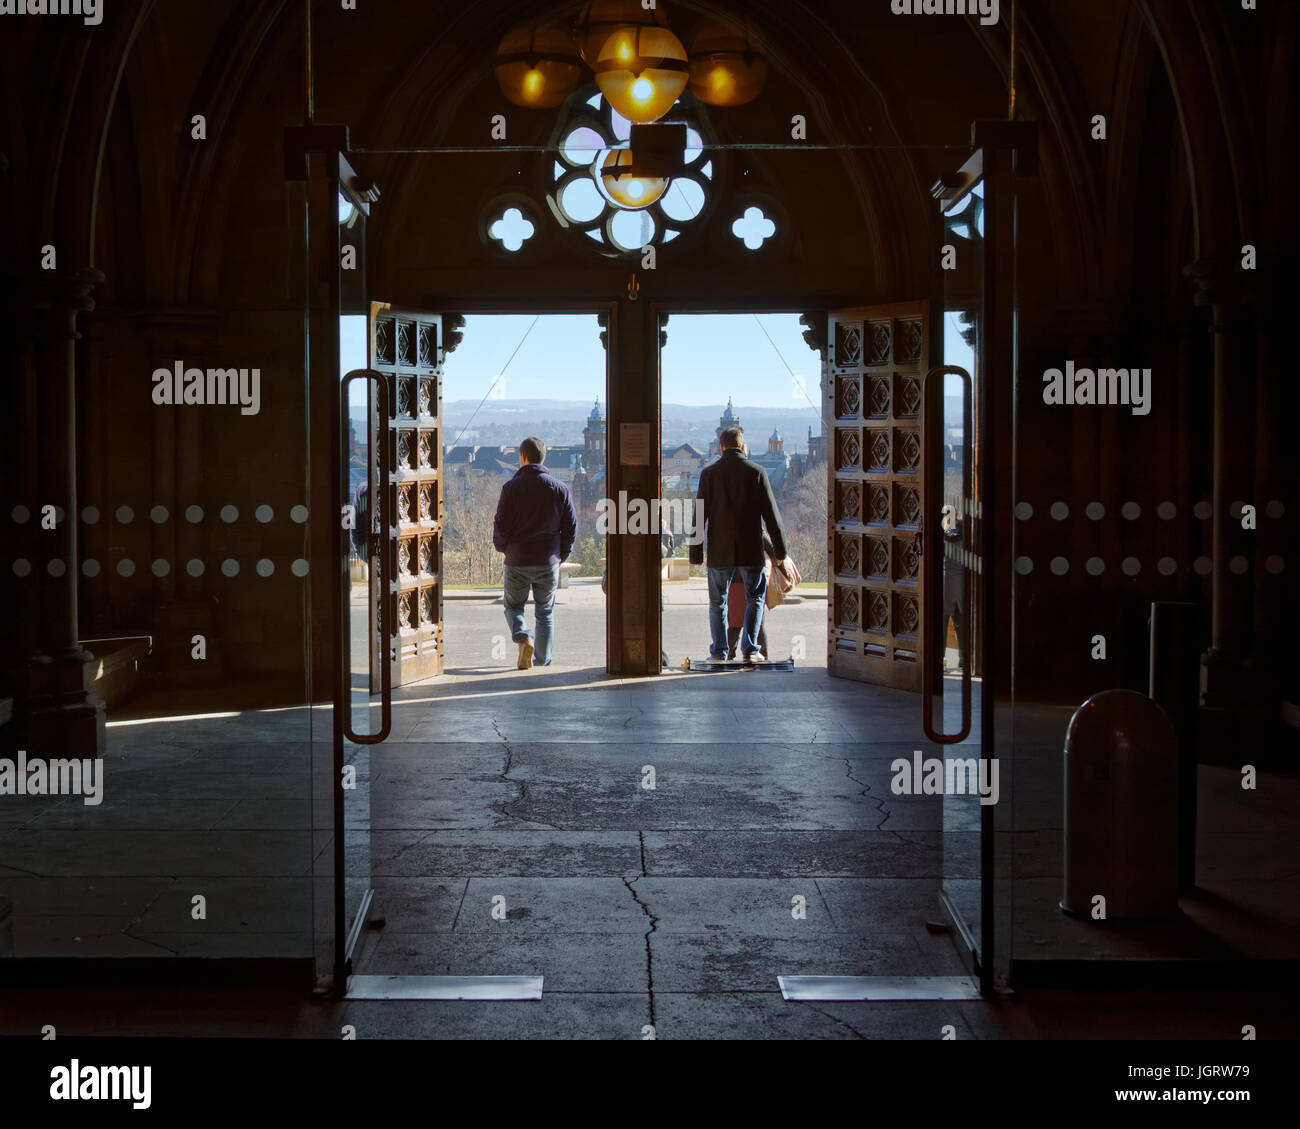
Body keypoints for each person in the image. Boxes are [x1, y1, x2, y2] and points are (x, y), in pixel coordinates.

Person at [690, 426, 788, 664]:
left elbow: (698, 515)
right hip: (750, 549)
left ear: (721, 447)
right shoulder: (757, 472)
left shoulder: (709, 474)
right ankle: (750, 649)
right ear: (743, 446)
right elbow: (771, 515)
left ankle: (719, 651)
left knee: (717, 601)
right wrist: (780, 549)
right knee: (755, 598)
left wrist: (695, 552)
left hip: (719, 550)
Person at [493, 437, 577, 669]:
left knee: (513, 607)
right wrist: (561, 555)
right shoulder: (560, 489)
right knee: (545, 612)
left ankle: (523, 637)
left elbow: (500, 525)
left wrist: (504, 548)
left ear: (522, 456)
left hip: (517, 559)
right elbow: (570, 527)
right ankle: (542, 661)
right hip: (547, 560)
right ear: (543, 458)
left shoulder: (510, 488)